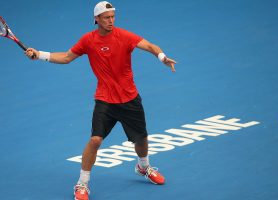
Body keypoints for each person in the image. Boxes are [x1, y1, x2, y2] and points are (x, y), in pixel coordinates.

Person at [25, 1, 176, 200]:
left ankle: (144, 167)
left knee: (142, 140)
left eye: (113, 16)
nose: (111, 20)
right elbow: (67, 57)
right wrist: (40, 55)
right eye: (106, 17)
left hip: (130, 98)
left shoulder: (124, 36)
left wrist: (162, 57)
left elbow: (149, 45)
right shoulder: (88, 40)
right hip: (105, 100)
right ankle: (82, 184)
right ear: (96, 19)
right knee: (95, 140)